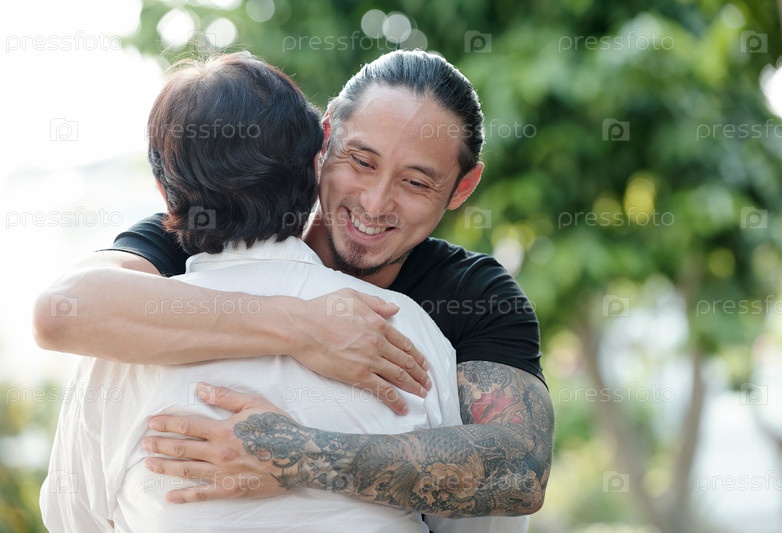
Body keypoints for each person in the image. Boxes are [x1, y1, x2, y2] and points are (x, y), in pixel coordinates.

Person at [34, 49, 553, 521]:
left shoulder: (474, 298)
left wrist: (302, 455)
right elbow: (62, 311)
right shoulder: (203, 231)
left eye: (416, 182)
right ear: (325, 141)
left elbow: (521, 472)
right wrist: (302, 327)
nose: (375, 203)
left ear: (463, 187)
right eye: (361, 161)